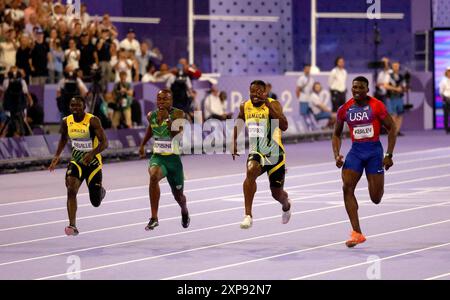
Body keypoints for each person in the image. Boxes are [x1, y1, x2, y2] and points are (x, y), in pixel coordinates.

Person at [332, 76, 397, 248]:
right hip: (356, 152)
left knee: (375, 198)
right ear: (351, 89)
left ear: (367, 90)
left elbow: (392, 128)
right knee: (347, 187)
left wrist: (389, 154)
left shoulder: (376, 105)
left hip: (374, 152)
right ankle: (357, 232)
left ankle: (374, 184)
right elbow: (336, 134)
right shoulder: (345, 109)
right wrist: (337, 154)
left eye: (361, 87)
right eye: (355, 87)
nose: (357, 90)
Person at [232, 80, 292, 229]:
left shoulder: (274, 104)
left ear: (265, 92)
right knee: (251, 171)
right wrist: (233, 141)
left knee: (277, 194)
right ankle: (248, 215)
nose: (256, 95)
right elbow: (240, 120)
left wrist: (269, 106)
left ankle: (286, 205)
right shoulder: (245, 106)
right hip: (257, 150)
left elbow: (284, 126)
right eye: (253, 91)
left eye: (259, 92)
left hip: (275, 153)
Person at [48, 96, 108, 236]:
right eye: (72, 106)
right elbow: (63, 139)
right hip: (76, 161)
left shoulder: (92, 120)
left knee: (95, 202)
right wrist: (56, 156)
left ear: (84, 106)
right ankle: (72, 225)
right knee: (71, 190)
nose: (75, 108)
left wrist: (92, 154)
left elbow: (104, 143)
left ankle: (100, 192)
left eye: (78, 106)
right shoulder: (66, 121)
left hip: (93, 163)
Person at [139, 89, 190, 230]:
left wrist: (168, 119)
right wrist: (142, 145)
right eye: (159, 99)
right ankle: (154, 218)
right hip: (158, 157)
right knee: (153, 176)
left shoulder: (179, 114)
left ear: (171, 101)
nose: (161, 102)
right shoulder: (151, 115)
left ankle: (184, 210)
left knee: (179, 196)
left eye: (165, 99)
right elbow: (151, 128)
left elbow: (176, 135)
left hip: (173, 160)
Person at [385, 61, 406, 136]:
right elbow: (386, 86)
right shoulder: (388, 76)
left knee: (400, 114)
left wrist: (403, 89)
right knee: (393, 115)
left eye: (397, 66)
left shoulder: (401, 76)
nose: (396, 67)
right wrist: (396, 89)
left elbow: (404, 86)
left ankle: (397, 131)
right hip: (391, 97)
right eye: (394, 66)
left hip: (399, 97)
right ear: (392, 67)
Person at [439, 67, 450, 133]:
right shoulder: (443, 81)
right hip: (446, 99)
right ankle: (446, 128)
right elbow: (441, 91)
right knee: (446, 114)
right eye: (448, 71)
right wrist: (444, 98)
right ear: (446, 72)